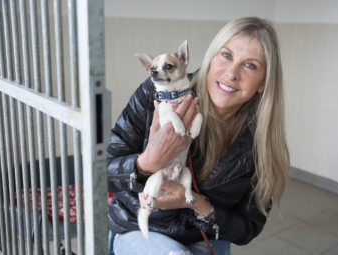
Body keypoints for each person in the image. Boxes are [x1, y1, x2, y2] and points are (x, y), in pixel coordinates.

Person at [107, 17, 289, 255]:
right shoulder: (158, 94)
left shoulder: (261, 139)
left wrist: (197, 204)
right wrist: (147, 163)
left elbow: (248, 227)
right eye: (226, 55)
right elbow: (102, 174)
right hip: (140, 229)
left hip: (206, 235)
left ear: (263, 83)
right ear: (212, 57)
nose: (231, 73)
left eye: (250, 65)